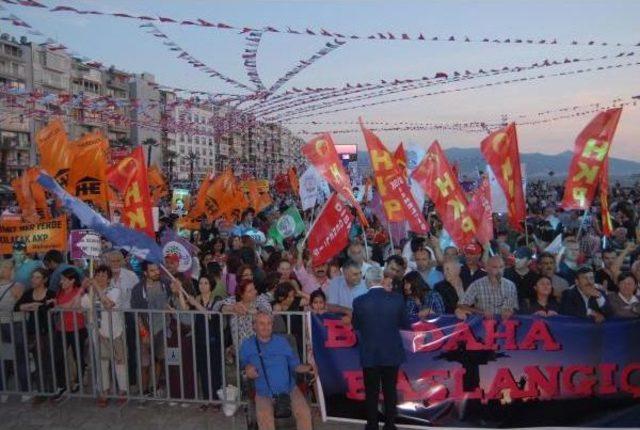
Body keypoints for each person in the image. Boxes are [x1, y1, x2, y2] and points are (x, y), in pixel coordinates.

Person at [352, 266, 410, 430]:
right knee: (390, 390)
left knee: (371, 391)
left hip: (370, 352)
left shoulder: (359, 301)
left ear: (367, 281)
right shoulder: (397, 299)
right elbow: (405, 324)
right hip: (391, 351)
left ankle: (372, 425)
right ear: (382, 279)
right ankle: (390, 425)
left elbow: (356, 325)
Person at [240, 312, 313, 430]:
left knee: (304, 413)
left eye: (269, 323)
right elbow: (243, 365)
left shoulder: (282, 342)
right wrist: (247, 368)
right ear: (254, 326)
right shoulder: (247, 345)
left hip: (289, 389)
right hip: (263, 392)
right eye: (261, 323)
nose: (266, 327)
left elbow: (295, 366)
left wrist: (309, 367)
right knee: (265, 420)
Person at [80, 265, 127, 406]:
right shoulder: (90, 293)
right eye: (97, 275)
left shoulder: (115, 291)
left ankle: (123, 391)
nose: (100, 278)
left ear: (109, 278)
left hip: (115, 331)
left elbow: (108, 304)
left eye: (103, 275)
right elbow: (80, 304)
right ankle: (104, 391)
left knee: (120, 362)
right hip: (98, 333)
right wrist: (82, 288)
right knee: (102, 363)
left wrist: (97, 288)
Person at [130, 261, 174, 395]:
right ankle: (143, 390)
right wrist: (143, 333)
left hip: (162, 328)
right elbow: (136, 313)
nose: (156, 272)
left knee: (159, 360)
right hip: (145, 330)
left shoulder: (166, 283)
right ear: (145, 273)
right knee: (144, 363)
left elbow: (173, 299)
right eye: (152, 271)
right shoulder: (138, 289)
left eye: (157, 270)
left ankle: (155, 387)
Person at [13, 268, 54, 401]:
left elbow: (50, 307)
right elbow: (17, 306)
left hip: (48, 331)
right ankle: (42, 392)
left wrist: (38, 306)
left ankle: (52, 390)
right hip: (33, 332)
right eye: (33, 277)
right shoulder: (28, 293)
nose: (33, 280)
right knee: (38, 361)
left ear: (44, 280)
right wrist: (31, 305)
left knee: (50, 361)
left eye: (37, 277)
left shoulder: (51, 292)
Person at [183, 275, 223, 407]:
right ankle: (206, 398)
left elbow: (210, 315)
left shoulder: (217, 300)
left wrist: (195, 304)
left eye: (206, 283)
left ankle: (217, 399)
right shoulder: (197, 299)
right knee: (203, 369)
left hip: (214, 339)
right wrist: (179, 291)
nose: (202, 286)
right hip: (200, 339)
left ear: (211, 285)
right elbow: (185, 309)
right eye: (200, 283)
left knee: (215, 369)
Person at [52, 268, 88, 401]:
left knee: (78, 356)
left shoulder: (79, 291)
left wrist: (59, 306)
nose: (61, 282)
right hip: (61, 329)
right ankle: (61, 385)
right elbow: (61, 304)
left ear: (72, 280)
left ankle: (78, 380)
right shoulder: (60, 292)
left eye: (64, 279)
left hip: (77, 328)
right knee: (58, 357)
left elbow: (71, 305)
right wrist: (55, 304)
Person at [455, 256, 519, 320]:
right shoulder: (477, 285)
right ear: (487, 268)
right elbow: (461, 305)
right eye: (495, 267)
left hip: (505, 325)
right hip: (483, 326)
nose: (499, 270)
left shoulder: (511, 285)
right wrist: (481, 312)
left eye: (501, 267)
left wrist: (510, 311)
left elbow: (515, 307)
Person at [214, 279, 272, 347]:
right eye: (250, 291)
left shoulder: (259, 299)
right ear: (242, 294)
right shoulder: (234, 300)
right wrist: (232, 308)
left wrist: (251, 311)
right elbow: (216, 306)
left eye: (254, 289)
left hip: (258, 346)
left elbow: (268, 309)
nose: (255, 292)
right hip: (239, 347)